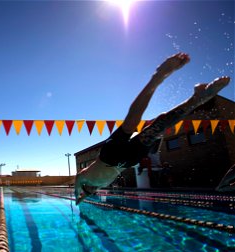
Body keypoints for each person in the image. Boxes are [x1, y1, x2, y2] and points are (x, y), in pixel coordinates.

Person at [75, 52, 230, 204]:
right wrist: (81, 198)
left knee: (132, 121)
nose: (90, 189)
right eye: (90, 191)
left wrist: (77, 195)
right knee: (159, 126)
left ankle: (159, 76)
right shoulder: (99, 185)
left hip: (109, 155)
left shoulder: (84, 177)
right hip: (127, 160)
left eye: (87, 190)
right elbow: (84, 194)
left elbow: (78, 182)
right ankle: (196, 99)